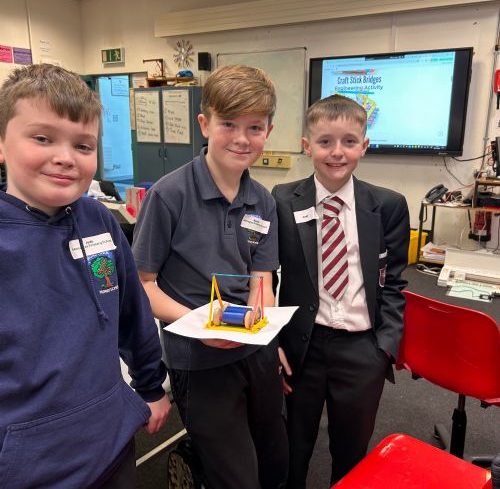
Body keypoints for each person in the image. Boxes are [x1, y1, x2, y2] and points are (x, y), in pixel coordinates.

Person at [0, 63, 170, 488]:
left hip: (110, 443)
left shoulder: (97, 218)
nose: (65, 157)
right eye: (42, 138)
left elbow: (131, 312)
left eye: (83, 145)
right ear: (2, 144)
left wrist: (151, 385)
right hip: (31, 466)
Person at [132, 64, 288, 489]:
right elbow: (143, 286)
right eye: (228, 124)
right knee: (235, 476)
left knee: (275, 464)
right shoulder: (169, 195)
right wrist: (199, 325)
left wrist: (261, 326)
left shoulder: (263, 201)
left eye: (254, 127)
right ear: (205, 124)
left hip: (253, 353)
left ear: (268, 131)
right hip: (198, 359)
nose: (241, 138)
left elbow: (261, 278)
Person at [272, 94, 410, 487]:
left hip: (362, 349)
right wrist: (272, 344)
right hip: (302, 348)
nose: (337, 152)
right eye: (325, 141)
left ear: (364, 146)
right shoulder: (282, 200)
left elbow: (395, 281)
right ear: (306, 146)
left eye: (349, 141)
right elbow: (267, 276)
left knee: (351, 452)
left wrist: (384, 347)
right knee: (292, 447)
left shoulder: (388, 206)